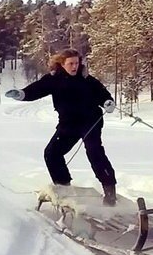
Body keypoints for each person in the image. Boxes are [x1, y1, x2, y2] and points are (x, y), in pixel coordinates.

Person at [6, 49, 118, 206]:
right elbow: (36, 90)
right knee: (51, 153)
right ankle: (64, 187)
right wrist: (21, 94)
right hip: (68, 124)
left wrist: (108, 102)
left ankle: (110, 190)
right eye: (70, 64)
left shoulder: (87, 79)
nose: (74, 67)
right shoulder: (53, 79)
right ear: (62, 64)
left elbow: (103, 94)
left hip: (90, 121)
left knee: (94, 151)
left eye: (76, 63)